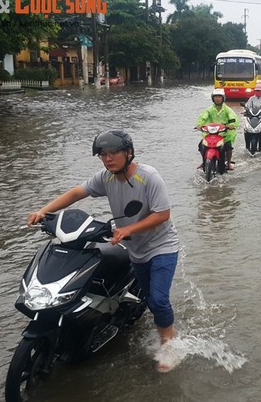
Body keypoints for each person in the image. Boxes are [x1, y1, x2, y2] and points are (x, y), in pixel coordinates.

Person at [27, 129, 181, 372]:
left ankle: (168, 344)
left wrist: (129, 229)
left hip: (161, 246)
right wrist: (44, 211)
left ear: (128, 153)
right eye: (102, 154)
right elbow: (77, 193)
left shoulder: (149, 177)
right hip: (135, 249)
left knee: (159, 300)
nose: (108, 159)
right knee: (149, 299)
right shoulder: (105, 178)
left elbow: (162, 214)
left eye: (113, 153)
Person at [197, 88, 239, 170]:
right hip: (211, 133)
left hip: (225, 134)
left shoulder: (227, 110)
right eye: (215, 97)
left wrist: (231, 125)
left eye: (219, 97)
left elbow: (233, 118)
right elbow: (202, 117)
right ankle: (204, 161)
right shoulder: (209, 110)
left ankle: (229, 163)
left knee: (228, 146)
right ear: (213, 98)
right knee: (201, 145)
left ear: (223, 98)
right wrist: (199, 125)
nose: (217, 99)